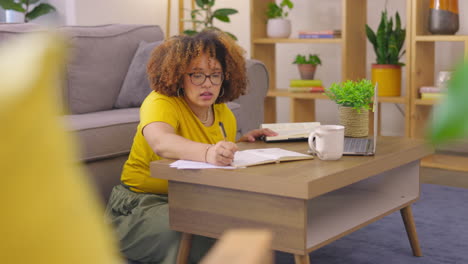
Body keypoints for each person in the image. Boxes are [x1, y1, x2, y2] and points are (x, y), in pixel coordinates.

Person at [105, 29, 277, 264]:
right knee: (194, 234)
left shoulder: (223, 113)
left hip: (194, 198)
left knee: (250, 223)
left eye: (215, 74)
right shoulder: (160, 102)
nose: (208, 84)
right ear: (178, 76)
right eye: (196, 75)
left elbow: (214, 155)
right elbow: (161, 142)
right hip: (142, 203)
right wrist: (209, 153)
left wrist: (240, 143)